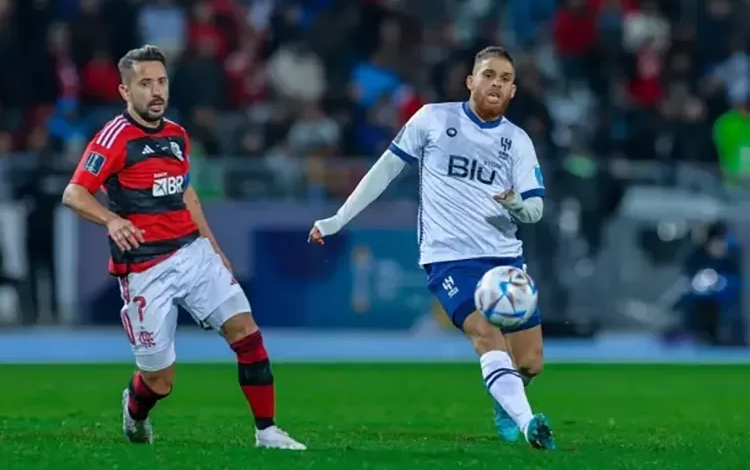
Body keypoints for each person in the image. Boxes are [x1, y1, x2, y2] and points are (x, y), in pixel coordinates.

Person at [309, 46, 555, 450]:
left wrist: (515, 205)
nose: (496, 83)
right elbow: (383, 171)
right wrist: (337, 220)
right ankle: (530, 424)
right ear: (470, 81)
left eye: (506, 79)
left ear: (513, 92)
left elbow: (535, 210)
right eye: (489, 75)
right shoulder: (433, 119)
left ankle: (506, 402)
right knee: (484, 332)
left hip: (505, 259)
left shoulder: (518, 141)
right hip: (449, 257)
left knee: (530, 362)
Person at [61, 45, 305, 450]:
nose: (156, 91)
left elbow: (186, 194)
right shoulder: (114, 138)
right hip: (145, 268)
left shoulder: (177, 135)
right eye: (145, 84)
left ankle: (267, 432)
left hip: (193, 254)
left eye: (161, 82)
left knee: (247, 333)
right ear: (125, 91)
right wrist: (113, 219)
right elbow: (74, 193)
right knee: (159, 380)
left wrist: (213, 245)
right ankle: (134, 409)